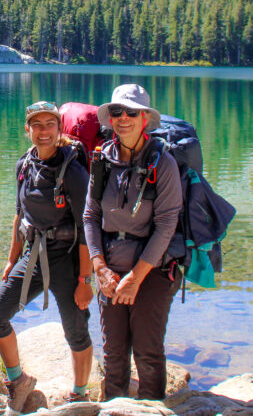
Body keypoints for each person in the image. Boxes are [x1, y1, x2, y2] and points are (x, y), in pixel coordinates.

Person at [0, 101, 95, 411]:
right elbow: (19, 216)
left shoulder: (72, 172)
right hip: (32, 255)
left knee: (76, 331)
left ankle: (80, 394)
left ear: (59, 129)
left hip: (69, 259)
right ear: (27, 129)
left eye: (50, 124)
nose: (43, 131)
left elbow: (87, 228)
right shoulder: (24, 165)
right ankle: (18, 381)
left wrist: (85, 280)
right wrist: (11, 259)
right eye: (37, 125)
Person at [83, 84, 182, 400]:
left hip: (153, 270)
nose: (123, 118)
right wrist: (99, 267)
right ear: (110, 118)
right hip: (110, 269)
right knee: (113, 353)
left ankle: (153, 406)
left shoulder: (162, 164)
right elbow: (90, 216)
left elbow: (167, 226)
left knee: (147, 351)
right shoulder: (102, 160)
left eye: (131, 112)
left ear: (144, 119)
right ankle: (114, 406)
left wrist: (135, 279)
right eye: (117, 112)